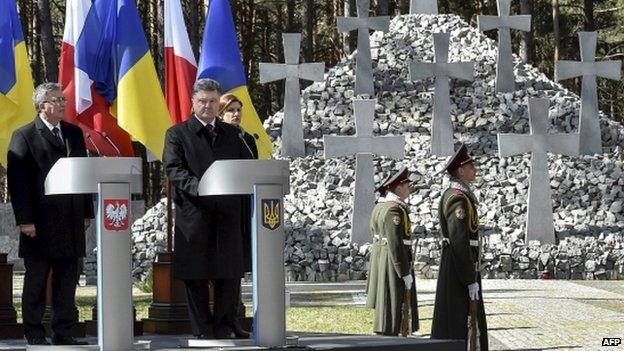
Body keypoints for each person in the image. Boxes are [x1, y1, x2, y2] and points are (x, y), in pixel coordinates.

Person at [163, 78, 253, 339]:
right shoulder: (177, 133)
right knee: (196, 275)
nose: (208, 106)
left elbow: (246, 167)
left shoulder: (233, 134)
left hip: (227, 214)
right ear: (193, 102)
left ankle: (225, 326)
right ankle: (203, 329)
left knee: (229, 273)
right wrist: (201, 187)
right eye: (202, 101)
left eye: (213, 101)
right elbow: (173, 169)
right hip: (195, 214)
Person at [7, 83, 93, 346]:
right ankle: (33, 331)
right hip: (40, 222)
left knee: (68, 280)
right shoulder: (24, 136)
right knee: (36, 280)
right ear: (41, 105)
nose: (62, 105)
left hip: (71, 220)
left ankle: (63, 332)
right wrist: (25, 220)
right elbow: (19, 183)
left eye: (63, 100)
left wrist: (86, 211)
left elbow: (84, 173)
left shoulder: (73, 133)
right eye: (56, 100)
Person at [431, 144, 488, 350]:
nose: (475, 170)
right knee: (457, 318)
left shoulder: (460, 195)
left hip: (460, 265)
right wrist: (469, 279)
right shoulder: (458, 199)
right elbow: (459, 241)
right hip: (459, 267)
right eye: (470, 166)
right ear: (460, 170)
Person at [218, 94, 257, 338]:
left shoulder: (246, 139)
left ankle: (233, 319)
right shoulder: (219, 139)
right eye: (230, 110)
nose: (236, 114)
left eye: (238, 110)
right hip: (223, 211)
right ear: (220, 114)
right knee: (224, 270)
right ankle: (221, 321)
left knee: (237, 270)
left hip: (244, 210)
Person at [366, 167, 418, 336]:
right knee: (393, 301)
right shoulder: (394, 210)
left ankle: (387, 331)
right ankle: (390, 334)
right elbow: (395, 243)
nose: (409, 188)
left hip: (383, 258)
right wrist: (403, 271)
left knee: (387, 301)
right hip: (392, 261)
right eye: (407, 185)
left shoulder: (380, 206)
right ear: (398, 188)